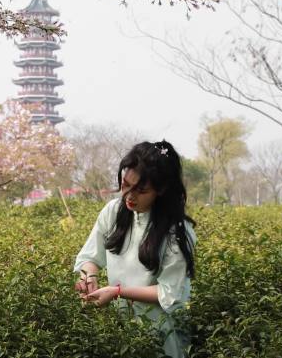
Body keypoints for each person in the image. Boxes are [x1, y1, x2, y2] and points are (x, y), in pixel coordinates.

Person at [73, 140, 196, 358]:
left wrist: (117, 292)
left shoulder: (176, 231)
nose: (129, 195)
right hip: (119, 329)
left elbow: (170, 293)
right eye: (125, 184)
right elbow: (90, 256)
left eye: (141, 190)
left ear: (161, 189)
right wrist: (89, 275)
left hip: (160, 334)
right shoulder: (113, 211)